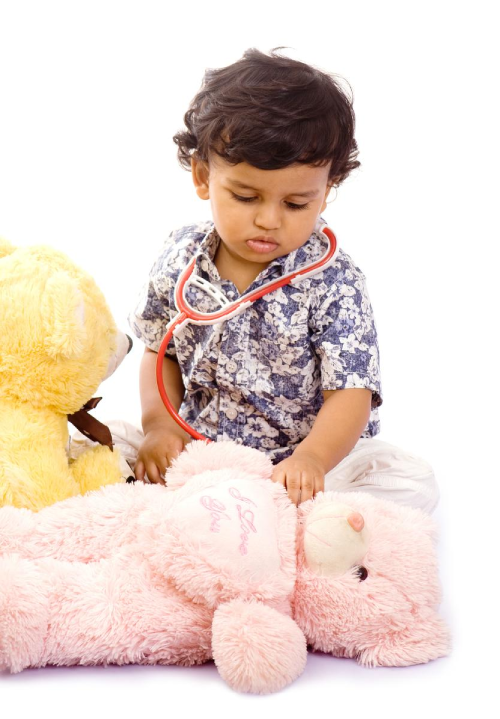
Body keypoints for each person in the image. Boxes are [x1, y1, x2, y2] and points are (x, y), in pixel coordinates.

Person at [125, 48, 438, 512]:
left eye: (295, 204)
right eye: (246, 197)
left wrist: (312, 458)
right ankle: (234, 514)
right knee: (106, 447)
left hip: (301, 461)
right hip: (200, 446)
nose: (269, 220)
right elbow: (159, 351)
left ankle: (270, 515)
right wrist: (159, 427)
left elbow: (351, 392)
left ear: (326, 192)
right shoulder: (180, 259)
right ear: (203, 176)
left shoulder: (335, 282)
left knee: (409, 482)